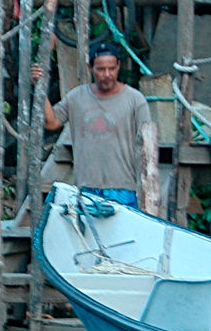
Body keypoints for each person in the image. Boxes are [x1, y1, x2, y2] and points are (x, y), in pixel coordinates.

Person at [33, 40, 151, 207]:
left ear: (119, 66)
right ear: (91, 68)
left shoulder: (135, 99)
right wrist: (40, 87)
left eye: (112, 68)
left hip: (123, 187)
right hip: (86, 188)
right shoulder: (76, 97)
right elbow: (51, 123)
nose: (107, 74)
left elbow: (147, 144)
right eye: (101, 69)